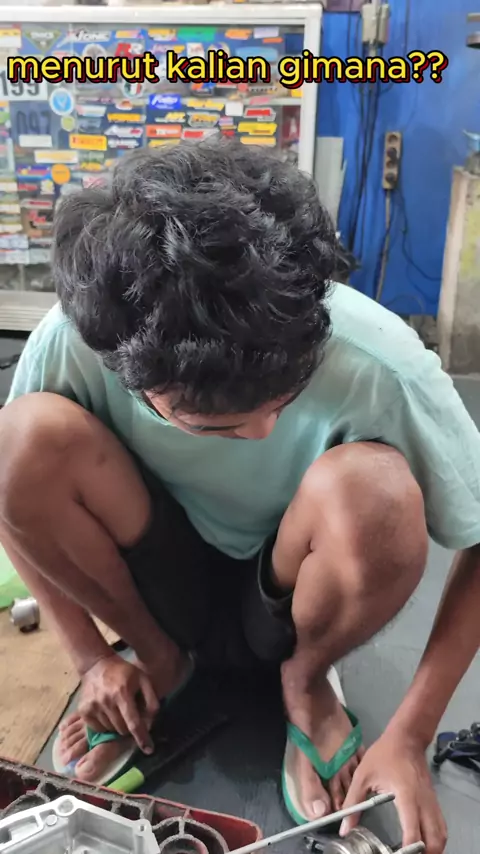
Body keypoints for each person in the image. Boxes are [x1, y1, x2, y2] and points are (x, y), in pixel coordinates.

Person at [0, 140, 479, 854]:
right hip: (158, 581)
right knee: (19, 440)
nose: (263, 435)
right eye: (216, 424)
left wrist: (411, 734)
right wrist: (91, 656)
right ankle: (157, 661)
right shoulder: (82, 338)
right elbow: (13, 496)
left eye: (286, 397)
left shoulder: (380, 358)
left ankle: (306, 686)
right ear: (127, 372)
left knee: (375, 493)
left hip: (297, 589)